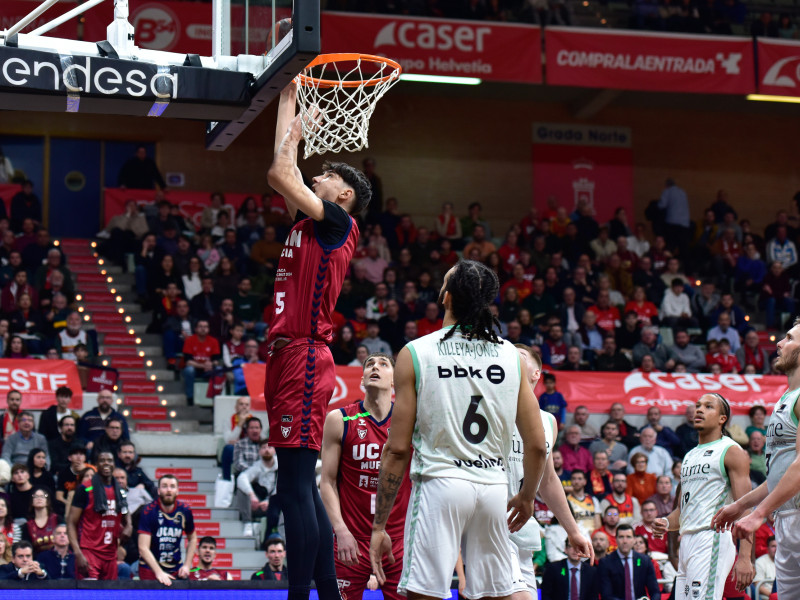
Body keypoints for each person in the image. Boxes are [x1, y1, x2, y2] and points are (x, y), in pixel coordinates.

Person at [368, 260, 547, 600]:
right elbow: (537, 445)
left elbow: (397, 449)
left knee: (425, 593)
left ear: (446, 297)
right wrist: (526, 497)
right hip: (494, 487)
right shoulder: (511, 355)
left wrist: (379, 525)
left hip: (440, 484)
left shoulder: (416, 352)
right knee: (503, 594)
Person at [265, 80, 372, 600]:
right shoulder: (309, 225)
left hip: (305, 355)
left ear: (344, 195)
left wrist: (301, 127)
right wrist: (288, 97)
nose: (316, 176)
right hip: (290, 356)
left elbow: (279, 172)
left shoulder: (337, 224)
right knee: (297, 487)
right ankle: (326, 592)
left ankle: (301, 594)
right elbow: (283, 175)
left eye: (326, 175)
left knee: (293, 488)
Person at [712, 318, 800, 599]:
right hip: (786, 518)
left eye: (789, 338)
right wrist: (741, 505)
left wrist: (759, 514)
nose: (779, 343)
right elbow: (779, 474)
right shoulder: (786, 398)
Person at [320, 352, 410, 600]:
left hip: (398, 540)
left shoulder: (409, 422)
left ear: (394, 380)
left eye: (383, 364)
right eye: (370, 364)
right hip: (352, 540)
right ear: (361, 379)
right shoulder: (340, 419)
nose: (375, 367)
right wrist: (340, 530)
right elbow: (326, 482)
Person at [508, 344, 593, 600]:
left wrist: (573, 531)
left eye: (520, 356)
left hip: (518, 525)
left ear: (536, 374)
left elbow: (548, 480)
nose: (511, 358)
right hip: (487, 517)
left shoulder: (548, 421)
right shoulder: (489, 405)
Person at [653, 393, 755, 598]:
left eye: (708, 407)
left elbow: (746, 508)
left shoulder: (731, 450)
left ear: (722, 419)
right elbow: (682, 512)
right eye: (698, 405)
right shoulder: (690, 456)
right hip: (687, 541)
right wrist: (665, 522)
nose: (699, 409)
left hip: (712, 539)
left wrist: (745, 557)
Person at [67, 451, 131, 580]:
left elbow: (125, 511)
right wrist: (78, 553)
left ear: (114, 464)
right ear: (96, 464)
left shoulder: (119, 489)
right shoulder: (85, 489)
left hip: (110, 554)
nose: (106, 463)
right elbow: (71, 522)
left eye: (110, 460)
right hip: (89, 552)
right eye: (102, 460)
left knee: (109, 595)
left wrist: (129, 525)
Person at [137, 474, 196, 585]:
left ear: (177, 491)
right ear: (158, 491)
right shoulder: (148, 511)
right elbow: (143, 548)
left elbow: (192, 538)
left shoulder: (185, 510)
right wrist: (159, 572)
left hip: (175, 567)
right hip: (150, 569)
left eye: (172, 486)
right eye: (164, 486)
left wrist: (187, 565)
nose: (169, 490)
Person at [597, 524, 661, 600]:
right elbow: (606, 595)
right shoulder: (605, 563)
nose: (625, 541)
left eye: (628, 537)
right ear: (616, 539)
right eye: (621, 537)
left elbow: (655, 592)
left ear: (634, 540)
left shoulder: (644, 561)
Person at [236, 439, 280, 537]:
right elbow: (241, 478)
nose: (267, 450)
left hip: (275, 504)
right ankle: (247, 524)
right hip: (257, 504)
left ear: (274, 450)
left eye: (269, 447)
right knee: (241, 490)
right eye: (263, 448)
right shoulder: (257, 466)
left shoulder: (281, 465)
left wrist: (269, 501)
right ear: (259, 451)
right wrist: (252, 496)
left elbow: (282, 487)